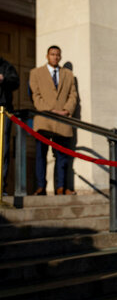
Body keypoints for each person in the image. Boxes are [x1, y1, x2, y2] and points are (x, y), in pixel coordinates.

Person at [30, 45, 78, 195]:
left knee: (62, 156)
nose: (55, 57)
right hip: (44, 120)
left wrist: (66, 110)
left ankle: (61, 187)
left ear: (60, 57)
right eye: (52, 54)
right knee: (41, 155)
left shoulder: (68, 75)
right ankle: (40, 187)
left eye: (57, 55)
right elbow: (35, 95)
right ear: (47, 56)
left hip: (62, 121)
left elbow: (73, 95)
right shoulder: (36, 73)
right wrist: (50, 110)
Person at [0, 56, 19, 195]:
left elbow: (15, 82)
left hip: (3, 112)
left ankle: (1, 187)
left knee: (2, 149)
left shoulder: (6, 65)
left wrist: (3, 79)